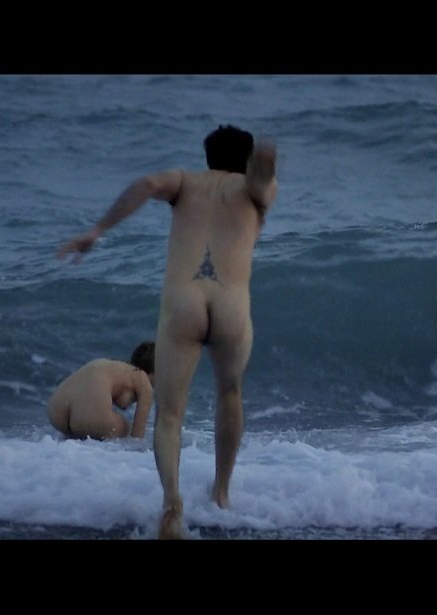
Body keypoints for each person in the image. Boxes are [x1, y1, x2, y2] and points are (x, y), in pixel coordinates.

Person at [57, 125, 277, 538]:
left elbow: (146, 185)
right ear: (247, 161)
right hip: (230, 305)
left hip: (183, 303)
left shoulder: (185, 182)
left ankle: (172, 506)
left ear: (207, 157)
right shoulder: (251, 189)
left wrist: (97, 230)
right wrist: (264, 169)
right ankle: (221, 494)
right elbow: (261, 189)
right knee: (230, 394)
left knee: (170, 413)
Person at [46, 341, 155, 441]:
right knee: (127, 430)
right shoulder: (144, 382)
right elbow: (137, 436)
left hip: (57, 410)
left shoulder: (118, 368)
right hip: (87, 416)